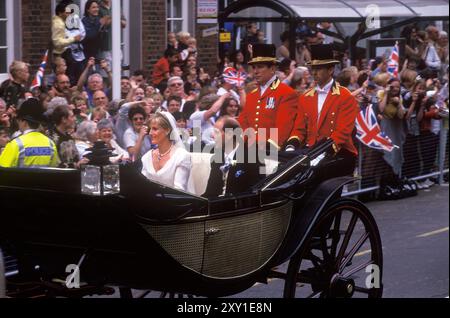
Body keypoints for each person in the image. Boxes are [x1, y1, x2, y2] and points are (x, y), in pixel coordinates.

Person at [285, 44, 359, 180]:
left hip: (339, 153)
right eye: (313, 68)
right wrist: (291, 147)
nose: (314, 73)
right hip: (311, 151)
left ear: (330, 69)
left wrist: (321, 154)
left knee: (313, 174)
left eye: (318, 69)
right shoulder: (305, 97)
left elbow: (341, 134)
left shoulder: (345, 96)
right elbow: (299, 129)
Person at [238, 43, 298, 151]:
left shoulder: (286, 93)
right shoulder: (252, 95)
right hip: (249, 151)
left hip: (271, 152)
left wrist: (267, 147)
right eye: (254, 67)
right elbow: (243, 122)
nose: (256, 71)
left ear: (273, 68)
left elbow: (283, 127)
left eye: (260, 67)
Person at [203, 117, 262, 197]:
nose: (213, 136)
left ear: (229, 134)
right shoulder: (216, 158)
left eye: (216, 132)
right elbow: (210, 193)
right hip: (216, 206)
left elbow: (255, 194)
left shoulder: (252, 158)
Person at [141, 112, 193, 193]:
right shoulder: (147, 157)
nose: (150, 133)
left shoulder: (182, 156)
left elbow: (179, 192)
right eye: (150, 129)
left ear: (167, 130)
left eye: (155, 129)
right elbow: (142, 186)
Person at [0, 98, 60, 168]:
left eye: (18, 120)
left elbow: (2, 171)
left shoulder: (16, 144)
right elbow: (55, 168)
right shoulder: (50, 144)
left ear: (24, 122)